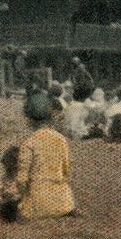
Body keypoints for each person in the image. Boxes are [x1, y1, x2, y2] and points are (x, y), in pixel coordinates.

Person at [14, 90, 76, 219]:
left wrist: (21, 195)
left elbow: (22, 180)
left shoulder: (29, 143)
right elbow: (66, 171)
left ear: (28, 119)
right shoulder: (61, 139)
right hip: (63, 202)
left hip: (38, 202)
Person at [0, 147, 22, 222]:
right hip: (10, 205)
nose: (5, 167)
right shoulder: (5, 177)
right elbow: (1, 193)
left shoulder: (21, 177)